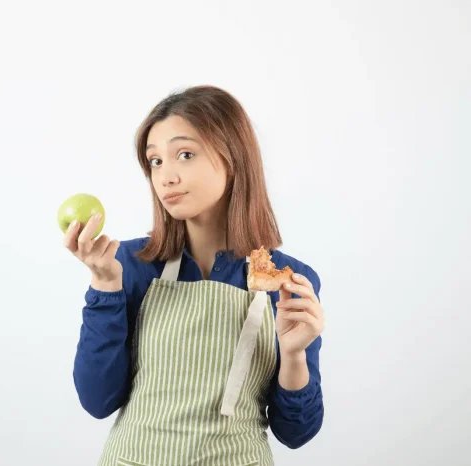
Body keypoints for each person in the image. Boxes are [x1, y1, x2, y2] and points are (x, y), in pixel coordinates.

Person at [64, 85, 325, 466]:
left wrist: (294, 353)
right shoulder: (129, 265)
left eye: (184, 155)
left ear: (233, 157)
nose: (166, 176)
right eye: (155, 161)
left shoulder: (287, 281)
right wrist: (105, 286)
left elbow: (296, 433)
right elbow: (97, 400)